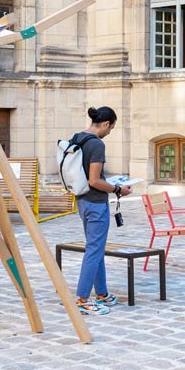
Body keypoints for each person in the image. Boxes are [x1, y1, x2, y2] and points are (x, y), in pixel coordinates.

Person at [73, 106, 129, 315]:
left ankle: (102, 293)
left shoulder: (78, 138)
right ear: (106, 124)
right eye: (111, 128)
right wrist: (118, 189)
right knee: (94, 250)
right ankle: (82, 299)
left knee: (95, 248)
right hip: (96, 203)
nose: (109, 132)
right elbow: (94, 180)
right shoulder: (96, 145)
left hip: (82, 201)